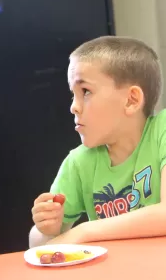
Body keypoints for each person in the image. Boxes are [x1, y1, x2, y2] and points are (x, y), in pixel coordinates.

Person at [29, 36, 166, 247]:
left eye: (85, 92)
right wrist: (47, 228)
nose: (73, 107)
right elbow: (40, 247)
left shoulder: (162, 130)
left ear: (131, 100)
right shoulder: (79, 162)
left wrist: (84, 231)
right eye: (72, 95)